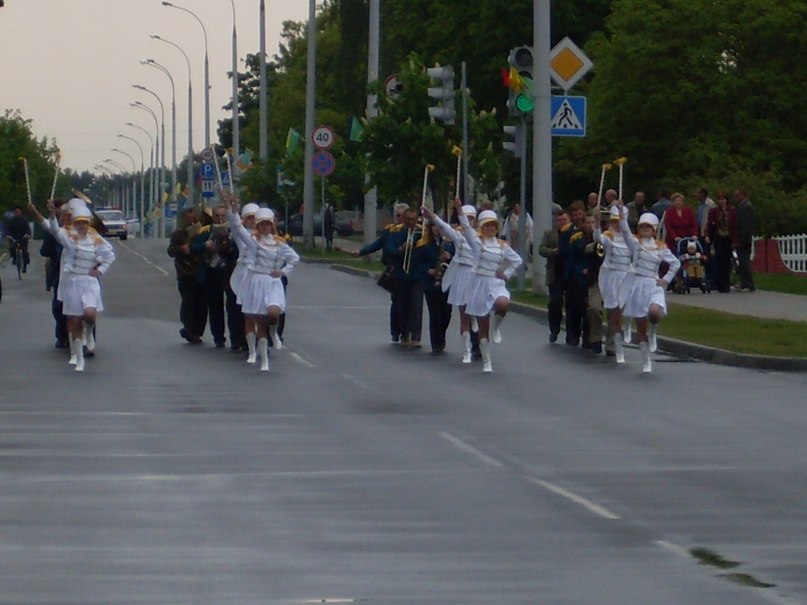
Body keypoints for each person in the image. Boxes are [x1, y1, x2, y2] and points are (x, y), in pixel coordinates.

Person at [28, 201, 115, 371]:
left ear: (88, 223)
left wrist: (100, 269)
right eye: (78, 223)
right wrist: (43, 213)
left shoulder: (95, 238)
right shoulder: (68, 237)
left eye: (84, 222)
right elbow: (51, 228)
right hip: (72, 281)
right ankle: (78, 357)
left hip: (89, 282)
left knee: (89, 315)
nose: (81, 226)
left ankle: (89, 335)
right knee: (73, 319)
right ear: (74, 224)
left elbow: (109, 255)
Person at [228, 204, 299, 371]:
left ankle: (274, 333)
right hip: (256, 280)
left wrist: (282, 272)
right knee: (256, 319)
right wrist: (232, 210)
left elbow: (294, 258)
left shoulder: (280, 243)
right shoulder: (253, 242)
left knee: (273, 314)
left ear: (272, 225)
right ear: (258, 226)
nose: (265, 227)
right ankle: (257, 356)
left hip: (273, 282)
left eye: (268, 224)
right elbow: (238, 228)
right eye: (262, 224)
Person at [456, 202, 522, 372]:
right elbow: (466, 228)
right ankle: (487, 361)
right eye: (487, 226)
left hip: (496, 283)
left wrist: (506, 274)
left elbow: (517, 261)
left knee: (502, 304)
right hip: (479, 284)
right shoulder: (477, 243)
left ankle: (497, 327)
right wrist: (458, 209)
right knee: (482, 325)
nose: (490, 228)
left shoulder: (502, 245)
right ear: (482, 227)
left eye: (493, 225)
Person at [618, 210, 680, 373]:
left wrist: (666, 279)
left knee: (654, 312)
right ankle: (646, 360)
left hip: (653, 285)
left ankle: (654, 330)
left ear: (653, 229)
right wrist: (621, 215)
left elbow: (675, 264)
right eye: (642, 226)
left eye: (648, 226)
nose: (645, 229)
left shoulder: (660, 247)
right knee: (640, 328)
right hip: (637, 285)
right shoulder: (635, 244)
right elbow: (625, 232)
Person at [423, 203, 479, 362]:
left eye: (471, 219)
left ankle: (478, 343)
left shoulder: (482, 236)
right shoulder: (457, 235)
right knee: (464, 315)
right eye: (465, 218)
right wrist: (431, 215)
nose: (468, 222)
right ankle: (467, 349)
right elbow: (444, 226)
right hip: (463, 274)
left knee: (478, 311)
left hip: (476, 275)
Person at [352, 203, 409, 343]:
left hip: (409, 269)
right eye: (398, 215)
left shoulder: (411, 230)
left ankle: (407, 331)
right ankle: (396, 331)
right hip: (394, 269)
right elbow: (378, 244)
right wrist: (361, 252)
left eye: (403, 215)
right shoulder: (390, 231)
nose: (400, 218)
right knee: (396, 301)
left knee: (407, 302)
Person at [595, 205, 632, 361]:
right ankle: (611, 343)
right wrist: (597, 222)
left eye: (620, 221)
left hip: (625, 276)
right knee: (612, 311)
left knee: (619, 312)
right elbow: (598, 239)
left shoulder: (630, 238)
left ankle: (614, 342)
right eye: (614, 221)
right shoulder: (608, 235)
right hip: (610, 276)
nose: (617, 224)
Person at [384, 207, 424, 347]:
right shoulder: (396, 231)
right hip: (401, 274)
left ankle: (416, 336)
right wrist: (400, 249)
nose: (412, 222)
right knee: (402, 306)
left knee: (416, 306)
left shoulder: (422, 231)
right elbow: (389, 250)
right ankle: (404, 333)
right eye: (409, 219)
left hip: (417, 274)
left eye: (414, 219)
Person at [201, 205, 240, 348]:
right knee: (215, 305)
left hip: (230, 272)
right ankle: (218, 336)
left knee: (233, 305)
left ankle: (236, 338)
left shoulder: (235, 232)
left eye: (223, 215)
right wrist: (205, 246)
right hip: (213, 271)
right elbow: (196, 247)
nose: (220, 218)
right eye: (217, 215)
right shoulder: (206, 231)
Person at [167, 208, 207, 344]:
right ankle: (188, 328)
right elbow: (170, 251)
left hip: (201, 272)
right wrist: (180, 249)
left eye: (194, 218)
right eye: (189, 218)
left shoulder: (204, 231)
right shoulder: (179, 234)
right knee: (188, 301)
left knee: (201, 303)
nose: (192, 220)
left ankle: (197, 331)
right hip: (185, 273)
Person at [227, 202, 260, 354]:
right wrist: (232, 210)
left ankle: (259, 339)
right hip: (245, 276)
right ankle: (243, 340)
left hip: (262, 276)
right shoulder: (243, 236)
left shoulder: (268, 236)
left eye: (255, 218)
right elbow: (235, 227)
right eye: (249, 218)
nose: (253, 221)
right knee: (243, 310)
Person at [417, 221, 454, 354]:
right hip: (431, 284)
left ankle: (441, 333)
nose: (437, 230)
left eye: (440, 227)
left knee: (446, 312)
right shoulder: (424, 244)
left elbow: (458, 259)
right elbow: (417, 264)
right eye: (435, 227)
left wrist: (449, 256)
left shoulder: (450, 244)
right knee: (435, 313)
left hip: (447, 282)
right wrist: (428, 270)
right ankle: (437, 343)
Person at [39, 198, 69, 348]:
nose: (65, 218)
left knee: (86, 307)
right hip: (59, 272)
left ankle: (88, 338)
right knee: (58, 306)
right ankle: (61, 335)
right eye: (63, 215)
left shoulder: (84, 231)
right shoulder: (55, 231)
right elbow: (44, 251)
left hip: (83, 275)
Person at [538, 211, 569, 343]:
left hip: (570, 273)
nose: (562, 222)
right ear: (556, 222)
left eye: (564, 219)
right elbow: (541, 249)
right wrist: (552, 252)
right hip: (555, 273)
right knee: (555, 302)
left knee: (572, 304)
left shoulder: (573, 234)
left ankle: (572, 333)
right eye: (560, 220)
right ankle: (554, 329)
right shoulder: (549, 234)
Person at [559, 201, 586, 346]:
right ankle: (572, 334)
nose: (578, 217)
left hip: (585, 273)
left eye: (580, 214)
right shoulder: (566, 232)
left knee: (585, 306)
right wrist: (571, 247)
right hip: (571, 274)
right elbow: (561, 251)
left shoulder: (588, 230)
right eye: (575, 215)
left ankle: (586, 336)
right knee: (571, 306)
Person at [706, 191, 737, 293]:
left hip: (728, 238)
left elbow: (735, 225)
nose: (721, 201)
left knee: (727, 261)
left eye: (723, 199)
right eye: (719, 199)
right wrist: (708, 236)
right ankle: (719, 283)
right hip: (718, 237)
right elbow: (710, 225)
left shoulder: (731, 211)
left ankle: (726, 283)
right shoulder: (714, 211)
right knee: (719, 259)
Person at [734, 188, 755, 292]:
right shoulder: (741, 206)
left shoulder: (747, 206)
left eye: (737, 195)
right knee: (741, 262)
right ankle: (743, 282)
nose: (736, 198)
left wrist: (742, 239)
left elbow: (746, 225)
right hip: (740, 238)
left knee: (745, 261)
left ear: (743, 195)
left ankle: (749, 284)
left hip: (744, 239)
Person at [695, 187, 717, 286]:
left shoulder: (710, 204)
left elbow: (710, 219)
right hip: (700, 232)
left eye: (698, 193)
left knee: (708, 255)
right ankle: (705, 276)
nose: (697, 196)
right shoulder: (700, 205)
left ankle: (711, 277)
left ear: (703, 194)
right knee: (702, 255)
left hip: (706, 233)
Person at [5, 205, 31, 272]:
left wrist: (28, 235)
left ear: (21, 212)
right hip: (14, 238)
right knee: (11, 248)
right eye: (15, 212)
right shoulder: (11, 221)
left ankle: (25, 266)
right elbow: (8, 229)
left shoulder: (24, 220)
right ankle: (14, 257)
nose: (17, 213)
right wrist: (8, 235)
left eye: (18, 211)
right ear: (14, 213)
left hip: (23, 237)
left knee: (25, 251)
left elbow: (28, 228)